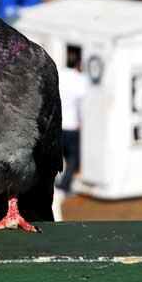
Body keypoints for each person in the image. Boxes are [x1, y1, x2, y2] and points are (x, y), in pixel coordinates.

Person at [56, 50, 89, 195]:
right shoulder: (79, 78)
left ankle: (60, 182)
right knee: (74, 157)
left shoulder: (60, 74)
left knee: (60, 155)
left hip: (58, 123)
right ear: (78, 64)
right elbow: (84, 96)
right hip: (72, 124)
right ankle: (64, 184)